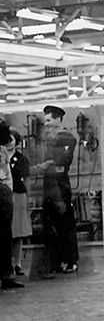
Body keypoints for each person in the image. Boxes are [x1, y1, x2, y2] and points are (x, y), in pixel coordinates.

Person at [38, 105, 79, 275]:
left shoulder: (67, 138)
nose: (46, 124)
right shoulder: (50, 139)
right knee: (50, 223)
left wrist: (49, 164)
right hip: (49, 184)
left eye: (49, 120)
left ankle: (69, 260)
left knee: (64, 223)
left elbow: (63, 160)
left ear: (57, 119)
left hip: (60, 184)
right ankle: (56, 260)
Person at [0, 120, 23, 289]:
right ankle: (6, 275)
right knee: (5, 236)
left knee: (5, 236)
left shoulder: (2, 151)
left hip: (5, 192)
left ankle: (6, 274)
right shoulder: (2, 151)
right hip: (4, 192)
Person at [9, 129, 30, 277]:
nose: (9, 142)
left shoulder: (22, 159)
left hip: (18, 196)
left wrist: (28, 197)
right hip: (4, 196)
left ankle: (17, 263)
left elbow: (26, 178)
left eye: (12, 139)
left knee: (17, 233)